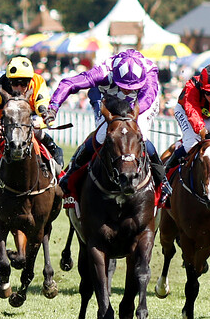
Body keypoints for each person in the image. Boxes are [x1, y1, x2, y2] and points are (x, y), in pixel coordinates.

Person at [47, 49, 170, 205]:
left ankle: (162, 181)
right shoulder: (103, 72)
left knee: (140, 136)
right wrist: (53, 107)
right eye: (125, 85)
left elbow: (148, 96)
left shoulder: (150, 71)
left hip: (140, 103)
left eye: (133, 87)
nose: (128, 89)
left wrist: (129, 117)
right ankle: (70, 173)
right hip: (108, 97)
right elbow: (69, 83)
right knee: (101, 135)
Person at [0, 56, 63, 182]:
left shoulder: (38, 82)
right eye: (15, 83)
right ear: (8, 80)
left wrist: (40, 122)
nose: (19, 88)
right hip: (5, 120)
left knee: (39, 134)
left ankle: (60, 176)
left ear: (30, 80)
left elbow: (45, 110)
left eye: (23, 83)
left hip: (27, 117)